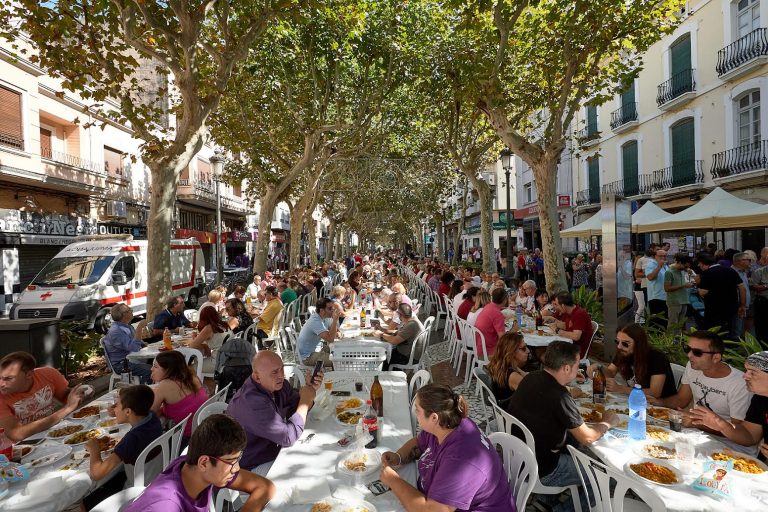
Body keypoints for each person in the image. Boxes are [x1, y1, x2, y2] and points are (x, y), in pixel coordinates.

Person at [507, 341, 619, 512]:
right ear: (566, 368)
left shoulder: (532, 377)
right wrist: (607, 422)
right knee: (609, 478)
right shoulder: (559, 396)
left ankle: (545, 501)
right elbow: (588, 437)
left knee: (574, 444)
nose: (578, 369)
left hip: (519, 456)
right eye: (577, 365)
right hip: (543, 468)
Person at [379, 384, 515, 511]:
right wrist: (398, 457)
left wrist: (393, 480)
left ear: (434, 418)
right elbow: (418, 443)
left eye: (417, 410)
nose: (416, 414)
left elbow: (432, 510)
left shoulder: (461, 460)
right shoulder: (447, 423)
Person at [124, 414, 275, 512]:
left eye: (237, 460)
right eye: (231, 462)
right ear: (204, 462)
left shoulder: (192, 468)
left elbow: (265, 487)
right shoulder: (167, 505)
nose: (236, 468)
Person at [650, 331, 754, 448]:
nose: (689, 355)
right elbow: (681, 399)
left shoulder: (739, 384)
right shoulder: (693, 366)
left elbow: (739, 430)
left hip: (727, 444)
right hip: (695, 434)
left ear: (716, 357)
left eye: (697, 352)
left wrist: (696, 423)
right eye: (687, 348)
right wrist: (659, 402)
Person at [227, 352, 321, 470]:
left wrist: (310, 390)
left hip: (274, 448)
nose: (281, 375)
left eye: (282, 369)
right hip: (250, 465)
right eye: (274, 372)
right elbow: (287, 437)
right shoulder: (252, 403)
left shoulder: (277, 385)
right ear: (257, 377)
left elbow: (296, 409)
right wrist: (306, 401)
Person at [684, 350, 767, 460]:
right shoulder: (760, 398)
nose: (745, 376)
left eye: (753, 372)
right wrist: (722, 425)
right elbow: (750, 436)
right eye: (746, 371)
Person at [0, 351, 87, 441]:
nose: (1, 384)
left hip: (53, 433)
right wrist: (66, 409)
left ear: (29, 374)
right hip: (23, 448)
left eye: (8, 378)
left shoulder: (48, 374)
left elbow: (66, 397)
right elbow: (16, 434)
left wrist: (82, 391)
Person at [86, 384, 163, 482]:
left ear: (128, 411)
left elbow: (97, 474)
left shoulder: (131, 439)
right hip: (156, 476)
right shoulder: (152, 417)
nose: (114, 408)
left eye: (117, 405)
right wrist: (119, 412)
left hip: (139, 489)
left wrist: (94, 450)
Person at [586, 323, 676, 399]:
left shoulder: (657, 358)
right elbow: (611, 372)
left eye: (625, 343)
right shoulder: (624, 352)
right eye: (617, 342)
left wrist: (621, 389)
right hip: (636, 401)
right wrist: (599, 367)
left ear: (639, 344)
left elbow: (655, 392)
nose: (619, 346)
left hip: (660, 408)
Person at [150, 351, 208, 438]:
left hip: (188, 438)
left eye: (155, 366)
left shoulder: (164, 386)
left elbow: (149, 414)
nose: (151, 369)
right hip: (205, 429)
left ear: (168, 370)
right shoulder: (192, 377)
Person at [696, 251, 745, 339]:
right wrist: (742, 305)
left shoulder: (707, 274)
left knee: (714, 334)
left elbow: (703, 292)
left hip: (714, 309)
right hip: (731, 307)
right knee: (729, 331)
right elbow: (742, 288)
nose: (699, 266)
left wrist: (698, 288)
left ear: (704, 264)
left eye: (699, 264)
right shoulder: (730, 270)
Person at [103, 303, 152, 384]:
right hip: (121, 364)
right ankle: (143, 392)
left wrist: (145, 344)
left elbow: (137, 342)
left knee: (159, 362)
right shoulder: (116, 331)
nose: (132, 311)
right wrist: (140, 327)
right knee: (150, 370)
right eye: (130, 310)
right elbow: (135, 348)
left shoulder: (127, 326)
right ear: (124, 315)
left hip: (132, 358)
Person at [546, 291, 594, 360]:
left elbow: (576, 336)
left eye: (557, 305)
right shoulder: (570, 312)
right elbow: (566, 326)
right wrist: (554, 322)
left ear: (562, 306)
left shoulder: (579, 314)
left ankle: (553, 369)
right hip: (568, 345)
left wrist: (557, 330)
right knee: (542, 350)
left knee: (545, 352)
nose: (556, 307)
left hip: (576, 351)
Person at [187, 305, 231, 378]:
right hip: (227, 358)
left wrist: (194, 337)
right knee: (200, 357)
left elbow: (192, 346)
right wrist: (204, 346)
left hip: (218, 362)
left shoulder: (209, 328)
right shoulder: (222, 324)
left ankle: (197, 387)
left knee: (187, 369)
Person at [375, 304, 424, 369]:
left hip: (409, 357)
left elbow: (394, 341)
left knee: (382, 356)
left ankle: (383, 376)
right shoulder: (411, 320)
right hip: (410, 352)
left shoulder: (412, 324)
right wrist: (383, 330)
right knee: (387, 351)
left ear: (400, 315)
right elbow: (398, 332)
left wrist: (381, 335)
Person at [486, 332, 529, 403]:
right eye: (523, 348)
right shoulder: (513, 376)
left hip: (502, 408)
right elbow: (531, 397)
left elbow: (526, 376)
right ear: (512, 351)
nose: (528, 351)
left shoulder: (500, 364)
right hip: (510, 412)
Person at [296, 297, 340, 365]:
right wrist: (335, 321)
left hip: (318, 349)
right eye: (330, 308)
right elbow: (331, 339)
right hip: (307, 357)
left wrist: (337, 332)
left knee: (340, 349)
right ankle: (335, 374)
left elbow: (333, 331)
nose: (333, 310)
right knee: (338, 359)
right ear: (322, 311)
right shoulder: (315, 321)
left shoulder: (324, 317)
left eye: (333, 308)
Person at [474, 287, 509, 357]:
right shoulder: (497, 314)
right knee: (515, 346)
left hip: (479, 347)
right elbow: (503, 339)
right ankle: (509, 367)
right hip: (488, 352)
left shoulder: (488, 306)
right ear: (504, 299)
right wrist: (514, 329)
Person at [664, 253, 694, 332]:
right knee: (673, 324)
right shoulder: (669, 272)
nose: (686, 268)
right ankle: (670, 342)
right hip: (674, 301)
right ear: (680, 262)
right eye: (685, 266)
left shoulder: (682, 271)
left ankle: (678, 341)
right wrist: (683, 286)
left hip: (684, 300)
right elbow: (667, 288)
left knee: (680, 325)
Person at [644, 248, 669, 330]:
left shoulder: (665, 265)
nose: (663, 258)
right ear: (655, 256)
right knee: (657, 322)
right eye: (660, 256)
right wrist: (658, 267)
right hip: (656, 297)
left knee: (665, 321)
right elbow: (650, 277)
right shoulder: (651, 264)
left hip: (665, 297)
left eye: (665, 256)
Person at [750, 260, 768, 343]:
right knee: (762, 326)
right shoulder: (759, 272)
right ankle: (762, 346)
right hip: (763, 302)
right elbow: (754, 287)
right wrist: (766, 286)